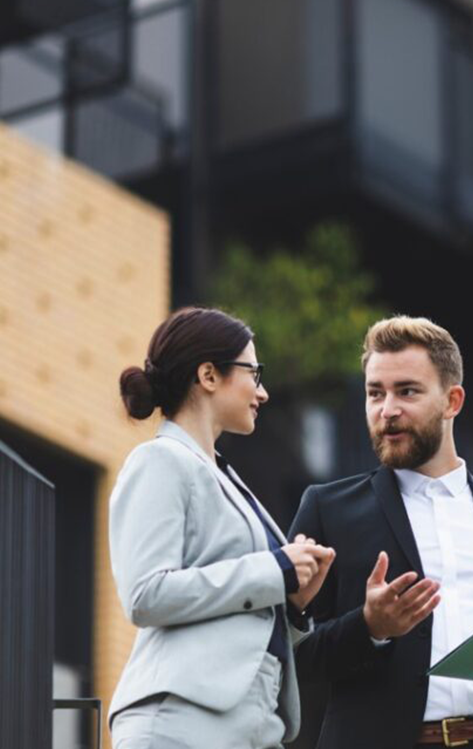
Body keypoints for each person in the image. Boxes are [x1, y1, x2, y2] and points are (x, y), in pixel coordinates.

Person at [290, 315, 473, 749]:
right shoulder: (327, 509)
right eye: (375, 393)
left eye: (407, 391)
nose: (387, 409)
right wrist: (369, 627)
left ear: (453, 400)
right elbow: (288, 654)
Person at [108, 307, 335, 749]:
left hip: (251, 728)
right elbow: (145, 594)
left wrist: (291, 603)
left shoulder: (226, 478)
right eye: (254, 372)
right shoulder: (160, 461)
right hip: (180, 723)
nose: (263, 393)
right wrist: (274, 571)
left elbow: (239, 630)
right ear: (208, 375)